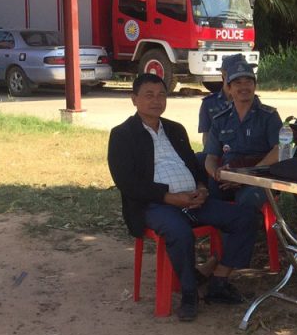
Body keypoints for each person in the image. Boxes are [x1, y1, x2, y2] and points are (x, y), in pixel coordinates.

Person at [107, 73, 257, 322]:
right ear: (134, 99)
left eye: (161, 95)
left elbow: (194, 165)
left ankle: (219, 280)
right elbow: (127, 182)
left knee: (246, 216)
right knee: (179, 231)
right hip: (154, 205)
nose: (156, 101)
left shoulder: (175, 129)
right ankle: (189, 292)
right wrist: (169, 197)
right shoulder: (122, 134)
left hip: (192, 200)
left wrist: (202, 187)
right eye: (149, 95)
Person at [203, 57, 282, 210]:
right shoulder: (220, 119)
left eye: (248, 82)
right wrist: (217, 174)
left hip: (259, 176)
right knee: (209, 198)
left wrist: (246, 175)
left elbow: (279, 150)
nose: (244, 87)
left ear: (255, 86)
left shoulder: (269, 116)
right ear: (229, 88)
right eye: (238, 83)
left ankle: (246, 224)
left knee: (246, 202)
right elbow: (210, 157)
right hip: (228, 176)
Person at [197, 53, 244, 146]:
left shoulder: (250, 100)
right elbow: (206, 136)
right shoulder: (209, 103)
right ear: (224, 74)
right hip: (218, 152)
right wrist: (210, 153)